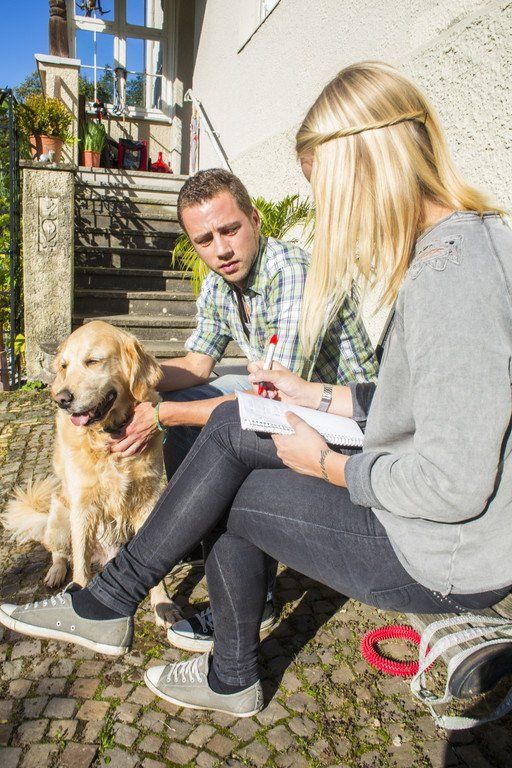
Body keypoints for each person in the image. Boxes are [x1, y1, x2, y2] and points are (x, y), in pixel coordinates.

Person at [2, 61, 511, 720]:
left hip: (441, 553)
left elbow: (452, 485)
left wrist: (325, 465)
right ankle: (158, 627)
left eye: (326, 191)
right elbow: (405, 405)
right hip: (398, 477)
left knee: (220, 464)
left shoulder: (446, 274)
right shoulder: (456, 249)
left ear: (368, 164)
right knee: (223, 435)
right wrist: (305, 393)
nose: (328, 213)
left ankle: (139, 618)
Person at [108, 168, 378, 648]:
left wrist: (162, 416)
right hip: (289, 402)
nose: (221, 249)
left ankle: (258, 595)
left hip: (351, 421)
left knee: (207, 423)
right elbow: (197, 365)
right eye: (205, 240)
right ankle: (199, 520)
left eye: (229, 229)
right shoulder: (219, 285)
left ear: (254, 219)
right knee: (182, 399)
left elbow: (274, 402)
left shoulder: (291, 273)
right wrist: (129, 375)